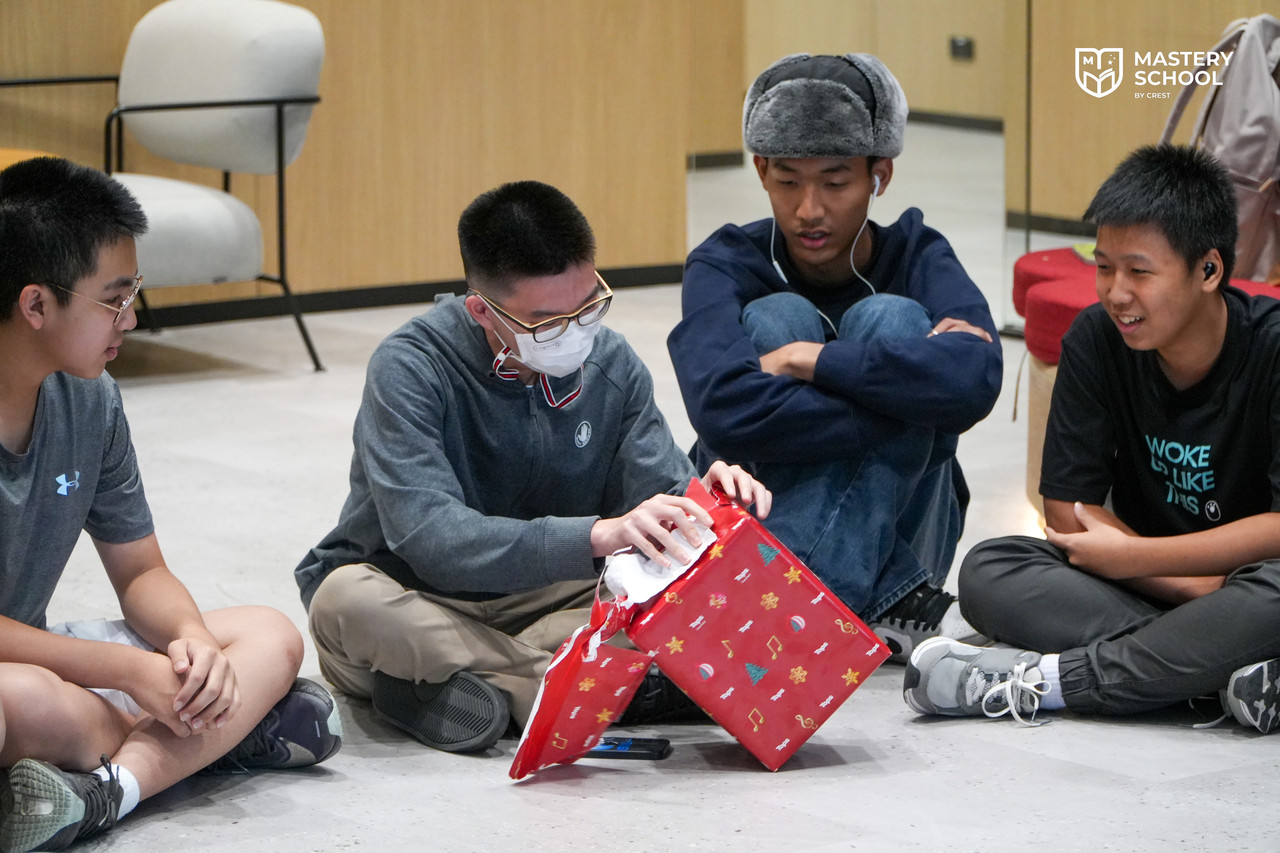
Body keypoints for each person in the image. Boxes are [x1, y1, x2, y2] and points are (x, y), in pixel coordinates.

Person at [296, 180, 770, 754]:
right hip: (419, 594)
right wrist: (595, 535)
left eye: (588, 306)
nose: (575, 333)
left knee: (669, 592)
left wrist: (706, 502)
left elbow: (657, 500)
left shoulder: (611, 362)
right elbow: (431, 537)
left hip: (547, 598)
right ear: (481, 310)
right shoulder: (411, 367)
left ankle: (439, 687)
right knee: (344, 603)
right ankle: (600, 686)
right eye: (547, 322)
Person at [0, 157, 341, 853]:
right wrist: (128, 671)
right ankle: (222, 738)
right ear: (36, 306)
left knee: (269, 634)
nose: (130, 318)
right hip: (23, 682)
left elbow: (140, 572)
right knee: (19, 701)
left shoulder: (91, 400)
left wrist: (191, 644)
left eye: (134, 292)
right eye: (114, 299)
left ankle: (109, 788)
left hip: (44, 660)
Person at [904, 144, 1280, 732]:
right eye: (1104, 267)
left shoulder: (1272, 349)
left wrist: (1145, 558)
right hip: (1150, 586)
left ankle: (1051, 682)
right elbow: (1067, 509)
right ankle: (1221, 668)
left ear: (1208, 270)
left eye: (1139, 271)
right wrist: (1185, 587)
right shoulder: (1097, 339)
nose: (1116, 293)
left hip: (1242, 582)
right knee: (990, 569)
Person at [667, 53, 1001, 661]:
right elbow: (721, 408)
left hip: (872, 538)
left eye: (836, 182)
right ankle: (866, 599)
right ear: (761, 170)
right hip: (755, 539)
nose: (809, 210)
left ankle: (778, 613)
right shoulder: (726, 263)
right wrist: (904, 399)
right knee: (777, 315)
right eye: (788, 181)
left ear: (880, 176)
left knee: (890, 318)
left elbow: (977, 379)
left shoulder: (918, 256)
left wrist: (807, 361)